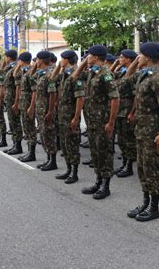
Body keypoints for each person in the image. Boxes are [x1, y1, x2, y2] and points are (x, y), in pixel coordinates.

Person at [127, 42, 159, 222]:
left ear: (147, 57)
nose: (139, 57)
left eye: (141, 54)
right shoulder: (143, 75)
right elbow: (125, 79)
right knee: (143, 168)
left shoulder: (158, 79)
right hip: (141, 130)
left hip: (152, 132)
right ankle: (145, 202)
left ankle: (154, 208)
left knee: (152, 169)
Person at [80, 45, 119, 199]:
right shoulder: (92, 72)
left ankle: (106, 186)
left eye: (89, 55)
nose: (86, 58)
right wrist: (85, 63)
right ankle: (98, 181)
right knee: (95, 152)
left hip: (102, 121)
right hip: (92, 121)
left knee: (104, 153)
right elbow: (74, 76)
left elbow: (115, 99)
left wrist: (111, 122)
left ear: (95, 57)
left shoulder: (106, 74)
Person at [52, 50, 85, 184]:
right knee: (65, 144)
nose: (61, 61)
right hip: (62, 113)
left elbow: (80, 98)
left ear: (67, 59)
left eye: (62, 59)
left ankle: (74, 172)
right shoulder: (65, 73)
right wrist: (59, 67)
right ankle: (68, 169)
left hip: (70, 114)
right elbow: (52, 78)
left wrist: (76, 117)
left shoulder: (76, 75)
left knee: (72, 144)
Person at [29, 51, 58, 171]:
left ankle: (53, 161)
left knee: (49, 135)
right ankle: (48, 159)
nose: (35, 62)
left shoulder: (49, 75)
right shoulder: (41, 74)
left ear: (40, 60)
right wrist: (37, 64)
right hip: (40, 108)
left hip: (46, 109)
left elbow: (52, 94)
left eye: (37, 60)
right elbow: (31, 75)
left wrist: (51, 111)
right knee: (43, 134)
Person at [113, 49, 138, 178]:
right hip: (119, 110)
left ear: (128, 59)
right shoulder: (122, 72)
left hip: (127, 109)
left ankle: (129, 166)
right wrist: (117, 64)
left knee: (128, 139)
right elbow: (112, 76)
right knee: (121, 139)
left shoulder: (134, 75)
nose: (119, 59)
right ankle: (124, 163)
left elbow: (136, 96)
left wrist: (133, 112)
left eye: (122, 57)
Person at [15, 52, 37, 162]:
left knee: (30, 128)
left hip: (28, 103)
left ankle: (32, 153)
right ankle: (29, 152)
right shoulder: (25, 71)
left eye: (19, 61)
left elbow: (34, 91)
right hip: (24, 103)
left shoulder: (30, 72)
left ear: (22, 61)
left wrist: (31, 107)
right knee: (26, 128)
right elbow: (14, 75)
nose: (18, 62)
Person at [2, 50, 23, 155]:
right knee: (12, 122)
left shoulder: (16, 69)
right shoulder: (9, 68)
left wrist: (16, 102)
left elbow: (18, 87)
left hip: (13, 98)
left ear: (9, 57)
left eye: (5, 57)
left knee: (15, 122)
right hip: (9, 98)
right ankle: (15, 145)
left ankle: (18, 146)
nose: (5, 59)